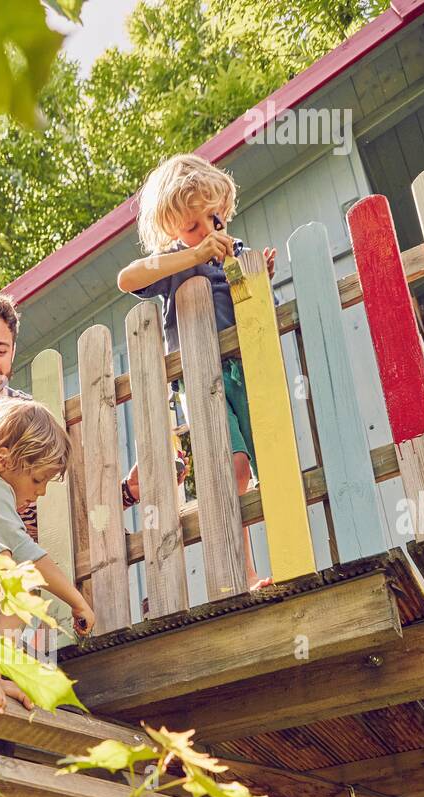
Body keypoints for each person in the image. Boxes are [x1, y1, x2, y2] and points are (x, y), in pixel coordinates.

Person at [117, 153, 277, 589]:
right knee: (232, 466)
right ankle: (244, 573)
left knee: (272, 458)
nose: (208, 234)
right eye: (192, 227)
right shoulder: (173, 261)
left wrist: (258, 276)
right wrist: (191, 255)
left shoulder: (234, 251)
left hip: (246, 368)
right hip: (201, 379)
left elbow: (257, 309)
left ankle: (286, 557)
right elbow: (127, 279)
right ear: (173, 229)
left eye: (214, 220)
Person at [0, 291, 142, 540]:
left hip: (23, 557)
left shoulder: (29, 415)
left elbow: (62, 503)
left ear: (13, 351)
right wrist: (4, 474)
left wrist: (127, 492)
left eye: (1, 350)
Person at [0, 396, 95, 713]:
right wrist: (77, 601)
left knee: (25, 586)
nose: (41, 492)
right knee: (1, 558)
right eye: (38, 479)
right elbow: (29, 556)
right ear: (2, 458)